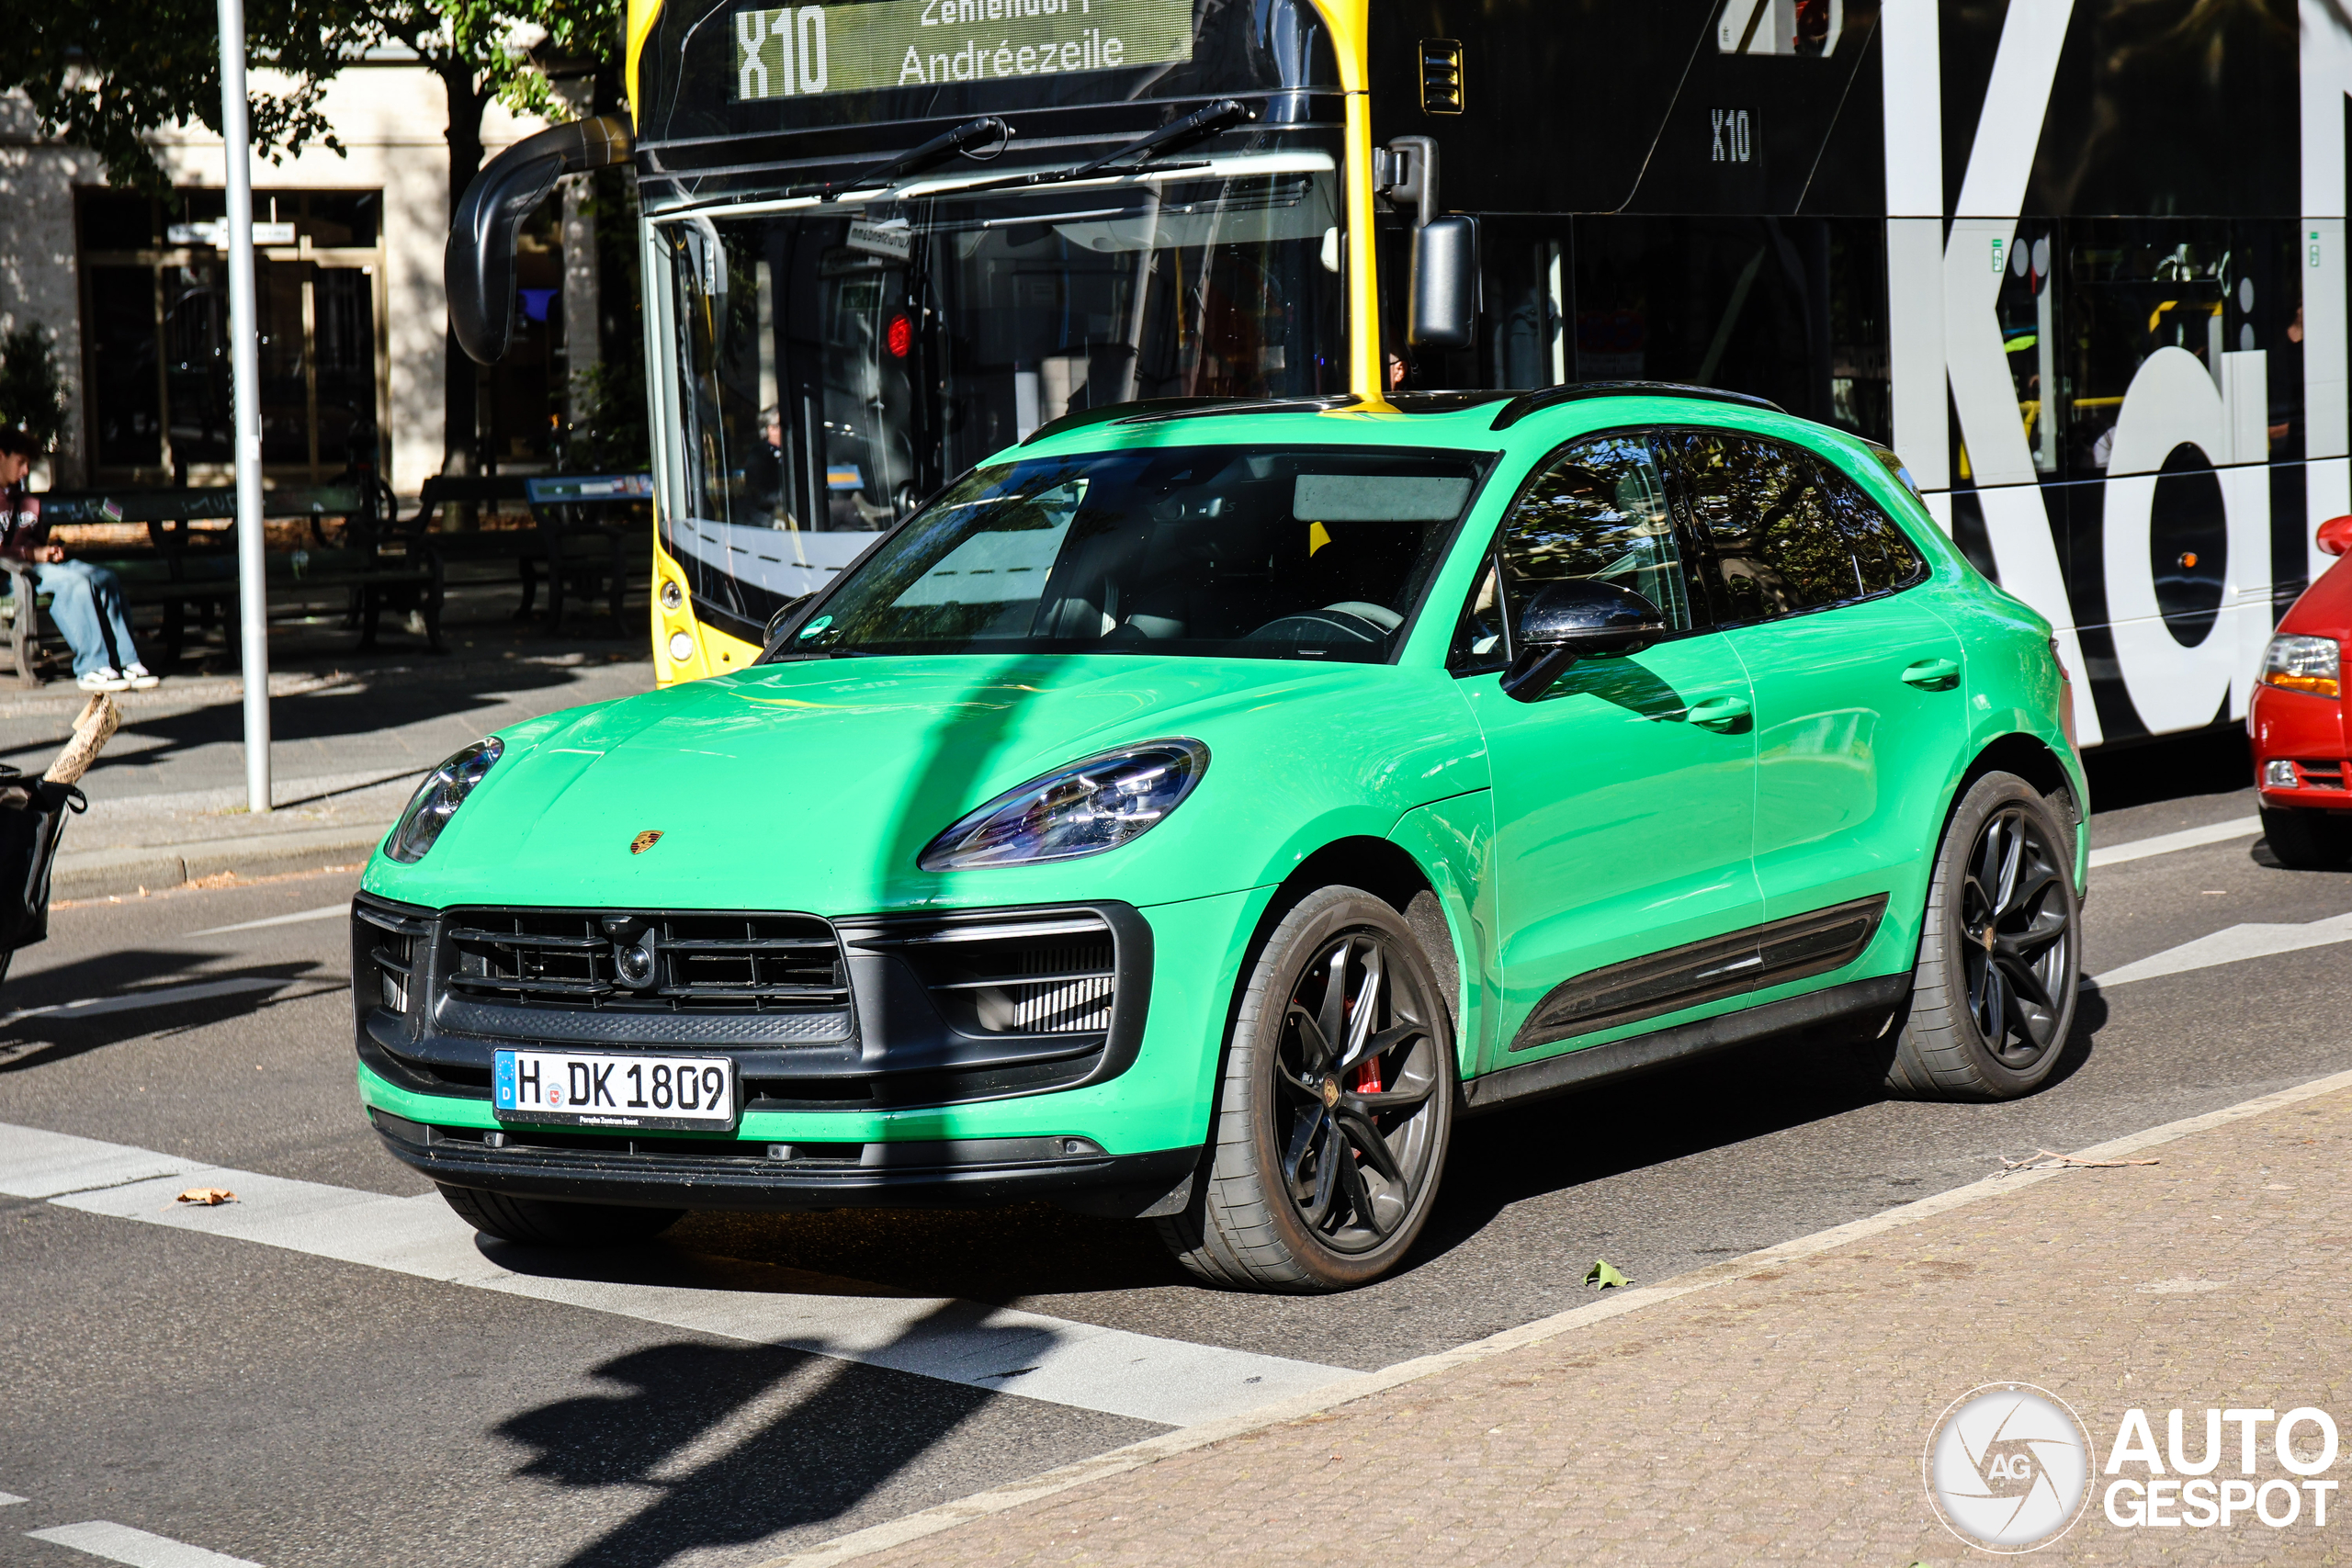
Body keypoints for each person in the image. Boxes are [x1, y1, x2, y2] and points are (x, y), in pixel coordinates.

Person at [0, 427, 158, 692]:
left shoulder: (23, 498)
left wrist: (47, 550)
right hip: (10, 575)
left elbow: (35, 540)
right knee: (74, 584)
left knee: (103, 578)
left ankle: (125, 661)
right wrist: (31, 554)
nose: (25, 471)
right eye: (21, 462)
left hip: (36, 567)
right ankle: (92, 666)